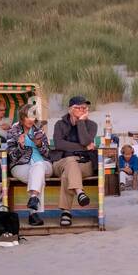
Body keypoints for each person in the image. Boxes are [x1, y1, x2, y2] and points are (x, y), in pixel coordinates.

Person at [50, 96, 98, 228]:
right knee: (71, 162)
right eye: (79, 107)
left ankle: (66, 212)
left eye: (85, 108)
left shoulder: (92, 125)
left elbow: (85, 140)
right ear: (70, 109)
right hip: (61, 162)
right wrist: (83, 147)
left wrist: (81, 122)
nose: (83, 110)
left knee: (69, 172)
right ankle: (79, 193)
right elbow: (59, 144)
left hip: (84, 164)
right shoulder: (59, 125)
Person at [4, 108, 52, 227]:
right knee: (36, 174)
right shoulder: (13, 131)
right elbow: (12, 157)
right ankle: (33, 211)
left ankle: (33, 203)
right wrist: (20, 146)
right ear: (22, 117)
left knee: (38, 166)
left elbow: (47, 154)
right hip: (21, 166)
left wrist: (40, 145)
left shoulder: (39, 130)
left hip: (44, 164)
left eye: (33, 117)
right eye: (28, 117)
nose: (31, 120)